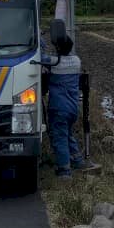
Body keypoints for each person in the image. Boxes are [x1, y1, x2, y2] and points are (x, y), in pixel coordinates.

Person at [43, 35, 96, 177]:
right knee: (67, 134)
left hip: (59, 108)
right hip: (73, 108)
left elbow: (39, 57)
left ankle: (64, 171)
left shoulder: (54, 61)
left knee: (59, 137)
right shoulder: (76, 61)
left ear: (58, 48)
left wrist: (40, 41)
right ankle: (78, 161)